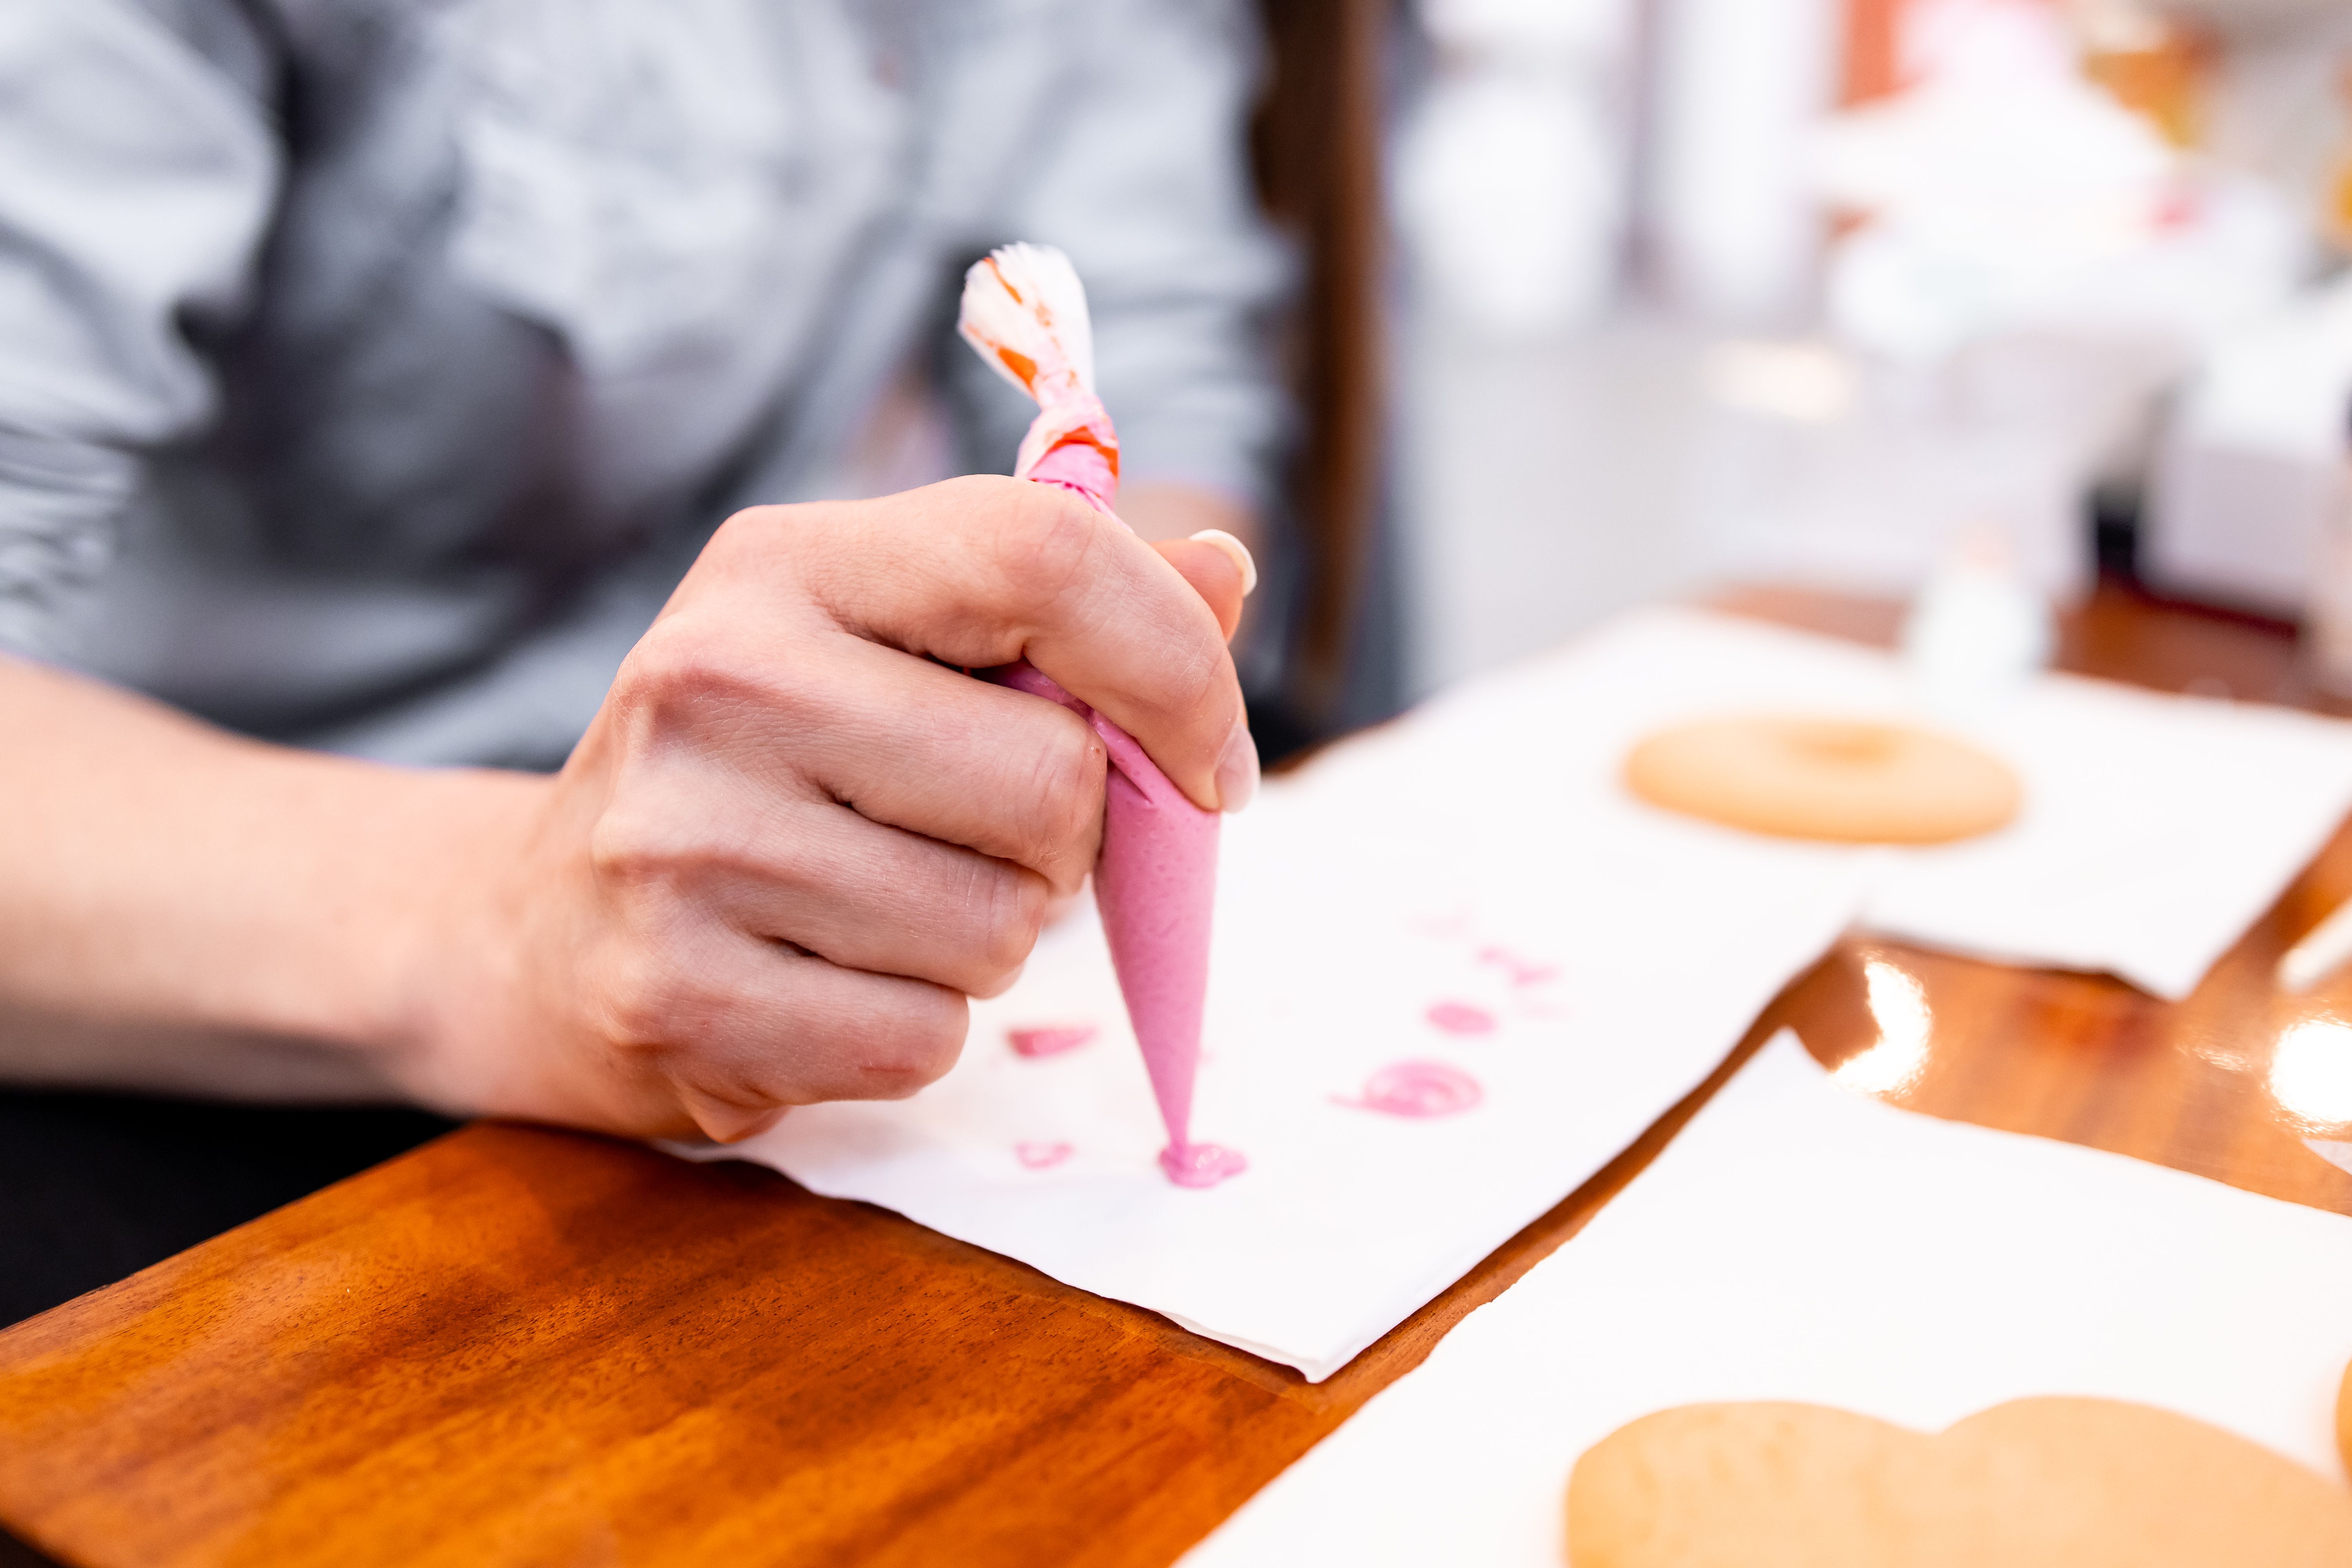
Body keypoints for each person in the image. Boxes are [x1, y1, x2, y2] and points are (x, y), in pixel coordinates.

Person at [0, 0, 1287, 1177]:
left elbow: (1170, 371)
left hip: (797, 1007)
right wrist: (515, 924)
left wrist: (1086, 705)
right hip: (202, 1001)